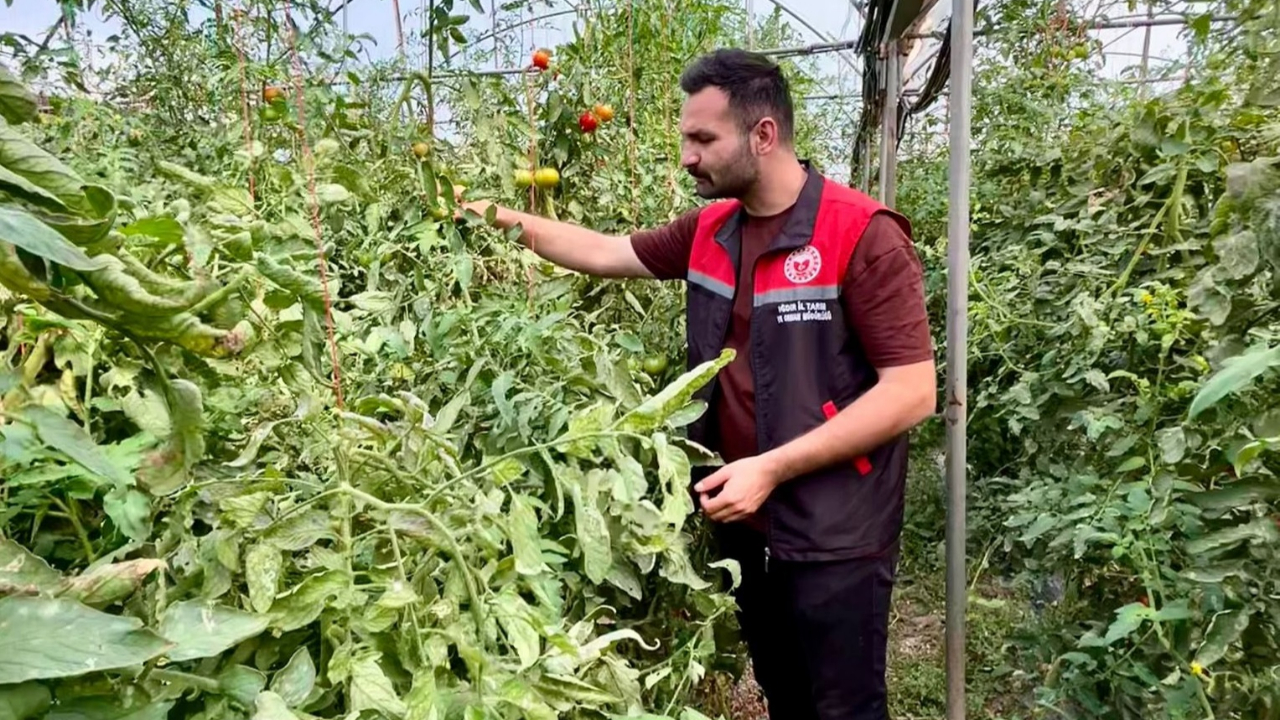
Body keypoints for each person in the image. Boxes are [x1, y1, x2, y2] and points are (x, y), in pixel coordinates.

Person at [461, 47, 936, 720]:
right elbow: (603, 251)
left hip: (836, 528)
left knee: (845, 703)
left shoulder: (860, 234)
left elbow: (912, 390)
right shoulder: (712, 229)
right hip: (745, 517)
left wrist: (771, 467)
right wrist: (493, 217)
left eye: (702, 138)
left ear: (763, 135)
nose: (687, 155)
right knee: (783, 688)